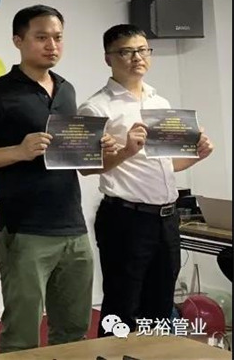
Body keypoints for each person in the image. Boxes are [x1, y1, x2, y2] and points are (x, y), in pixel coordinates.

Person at [0, 5, 115, 353]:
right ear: (18, 41)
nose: (52, 45)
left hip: (73, 226)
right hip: (24, 228)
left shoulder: (66, 89)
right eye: (41, 37)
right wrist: (19, 151)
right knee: (22, 335)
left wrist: (98, 146)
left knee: (74, 330)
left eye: (58, 37)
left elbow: (73, 155)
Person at [78, 24, 214, 336]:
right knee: (122, 308)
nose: (137, 58)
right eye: (126, 52)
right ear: (108, 58)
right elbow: (86, 168)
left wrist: (198, 155)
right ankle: (112, 356)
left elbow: (165, 166)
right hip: (126, 218)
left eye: (142, 50)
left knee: (161, 306)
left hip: (167, 217)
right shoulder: (96, 107)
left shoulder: (159, 103)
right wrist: (126, 150)